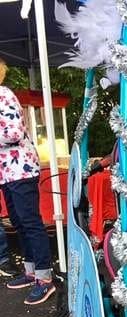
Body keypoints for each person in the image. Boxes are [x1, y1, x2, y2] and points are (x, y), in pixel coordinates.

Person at [0, 57, 55, 304]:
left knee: (30, 222)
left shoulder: (4, 95)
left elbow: (13, 133)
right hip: (7, 172)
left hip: (21, 168)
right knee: (19, 222)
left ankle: (45, 278)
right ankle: (31, 271)